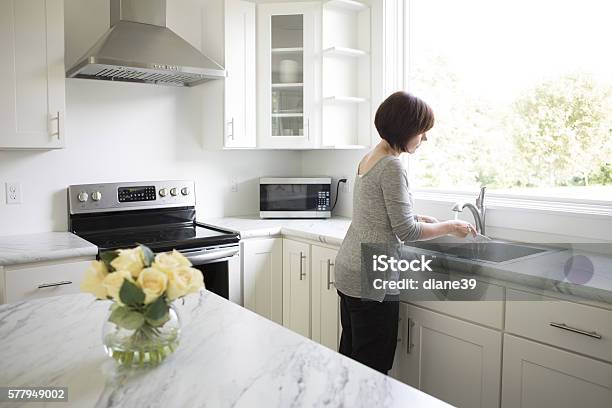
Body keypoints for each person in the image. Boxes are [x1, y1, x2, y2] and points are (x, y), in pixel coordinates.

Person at [334, 91, 477, 374]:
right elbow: (407, 231)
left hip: (350, 269)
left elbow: (376, 213)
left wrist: (418, 216)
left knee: (351, 359)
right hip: (372, 279)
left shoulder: (370, 157)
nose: (424, 139)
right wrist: (450, 226)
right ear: (406, 129)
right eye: (422, 132)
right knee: (372, 368)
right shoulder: (392, 166)